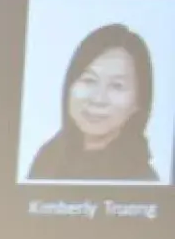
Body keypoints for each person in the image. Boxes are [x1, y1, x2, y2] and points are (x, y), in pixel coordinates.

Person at [26, 23, 160, 183]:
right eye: (89, 80)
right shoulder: (49, 157)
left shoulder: (141, 180)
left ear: (139, 102)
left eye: (117, 86)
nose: (98, 99)